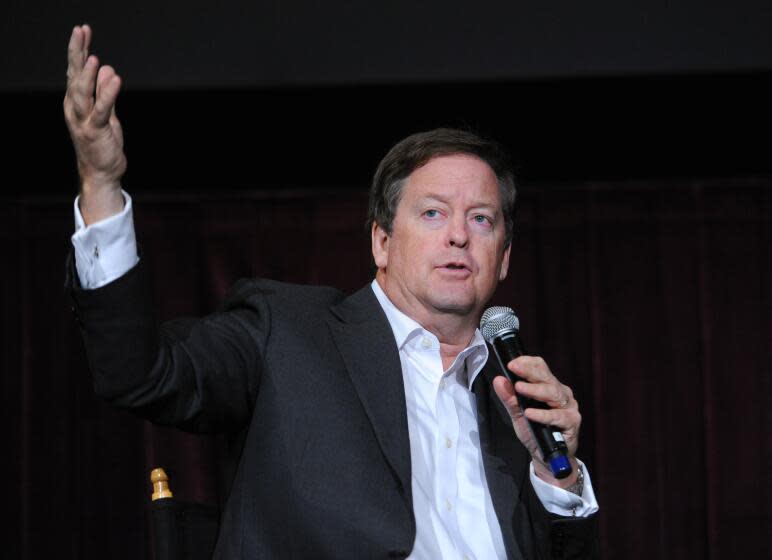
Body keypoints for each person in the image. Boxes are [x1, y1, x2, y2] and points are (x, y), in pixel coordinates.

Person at [64, 24, 599, 559]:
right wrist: (101, 184)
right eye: (433, 212)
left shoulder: (517, 406)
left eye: (481, 219)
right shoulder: (289, 334)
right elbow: (140, 373)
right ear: (382, 242)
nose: (458, 234)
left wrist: (560, 479)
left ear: (503, 258)